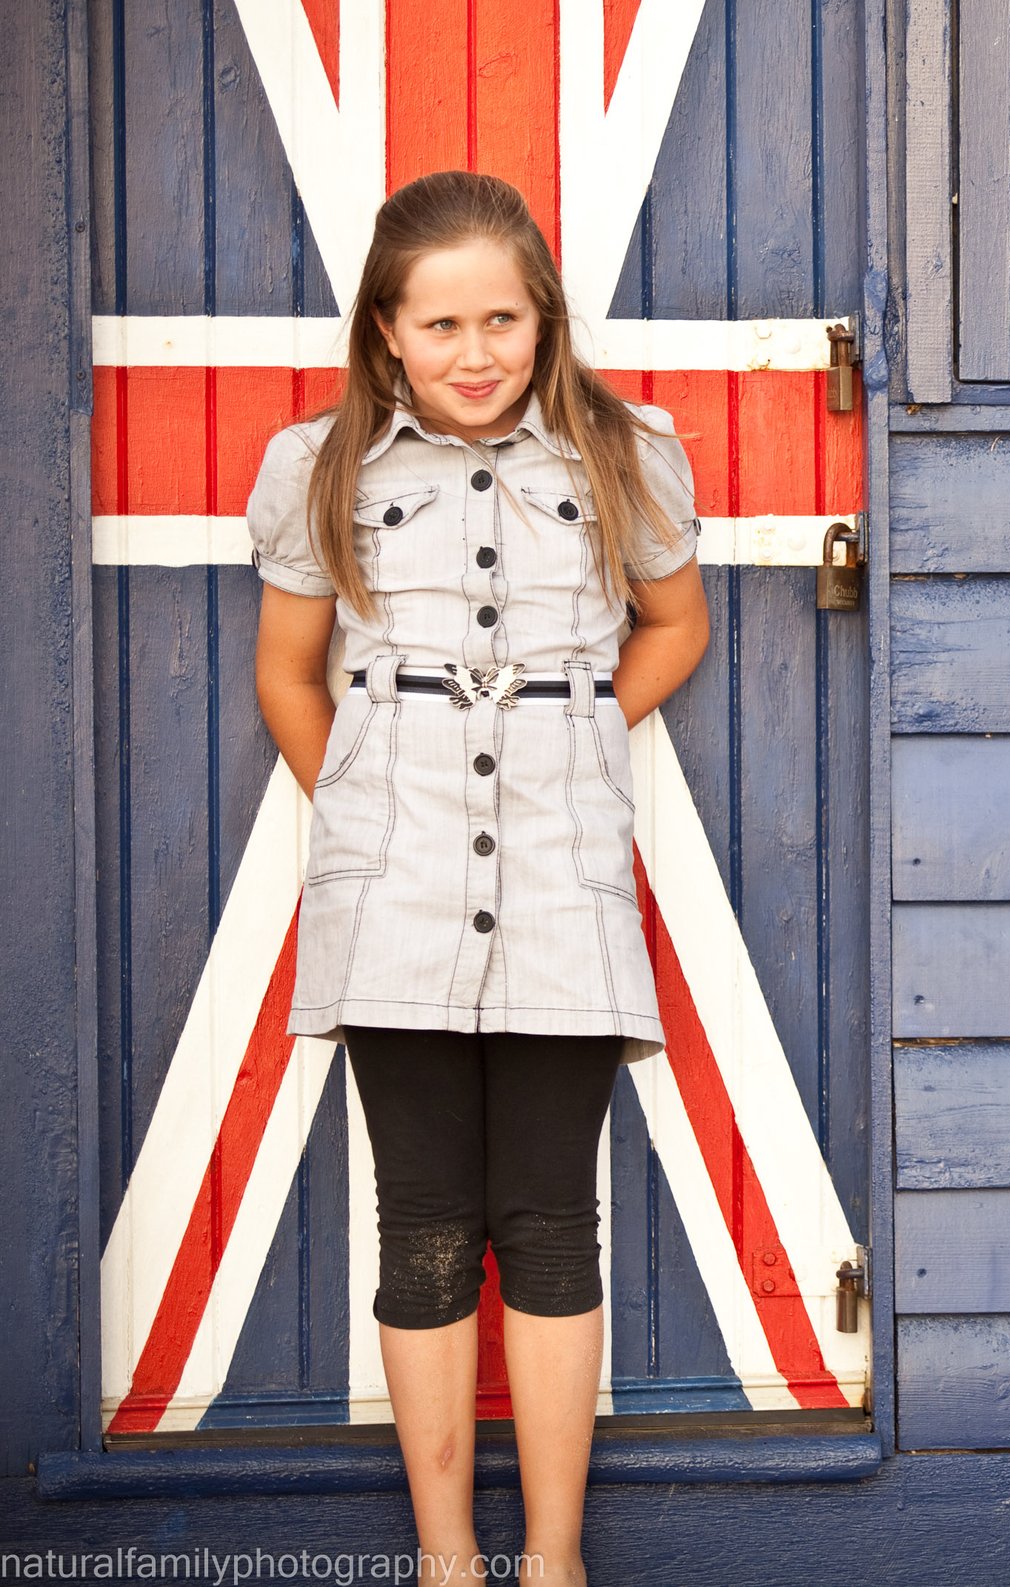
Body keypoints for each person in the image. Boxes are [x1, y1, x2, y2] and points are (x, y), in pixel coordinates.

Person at [246, 170, 710, 1587]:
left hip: (562, 890)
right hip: (392, 896)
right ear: (388, 332)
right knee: (428, 1220)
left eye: (501, 317)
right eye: (439, 323)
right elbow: (286, 675)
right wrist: (380, 806)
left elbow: (675, 626)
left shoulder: (625, 455)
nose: (474, 351)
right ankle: (449, 1555)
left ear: (543, 316)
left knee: (553, 1220)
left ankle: (554, 1555)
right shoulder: (321, 466)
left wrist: (565, 736)